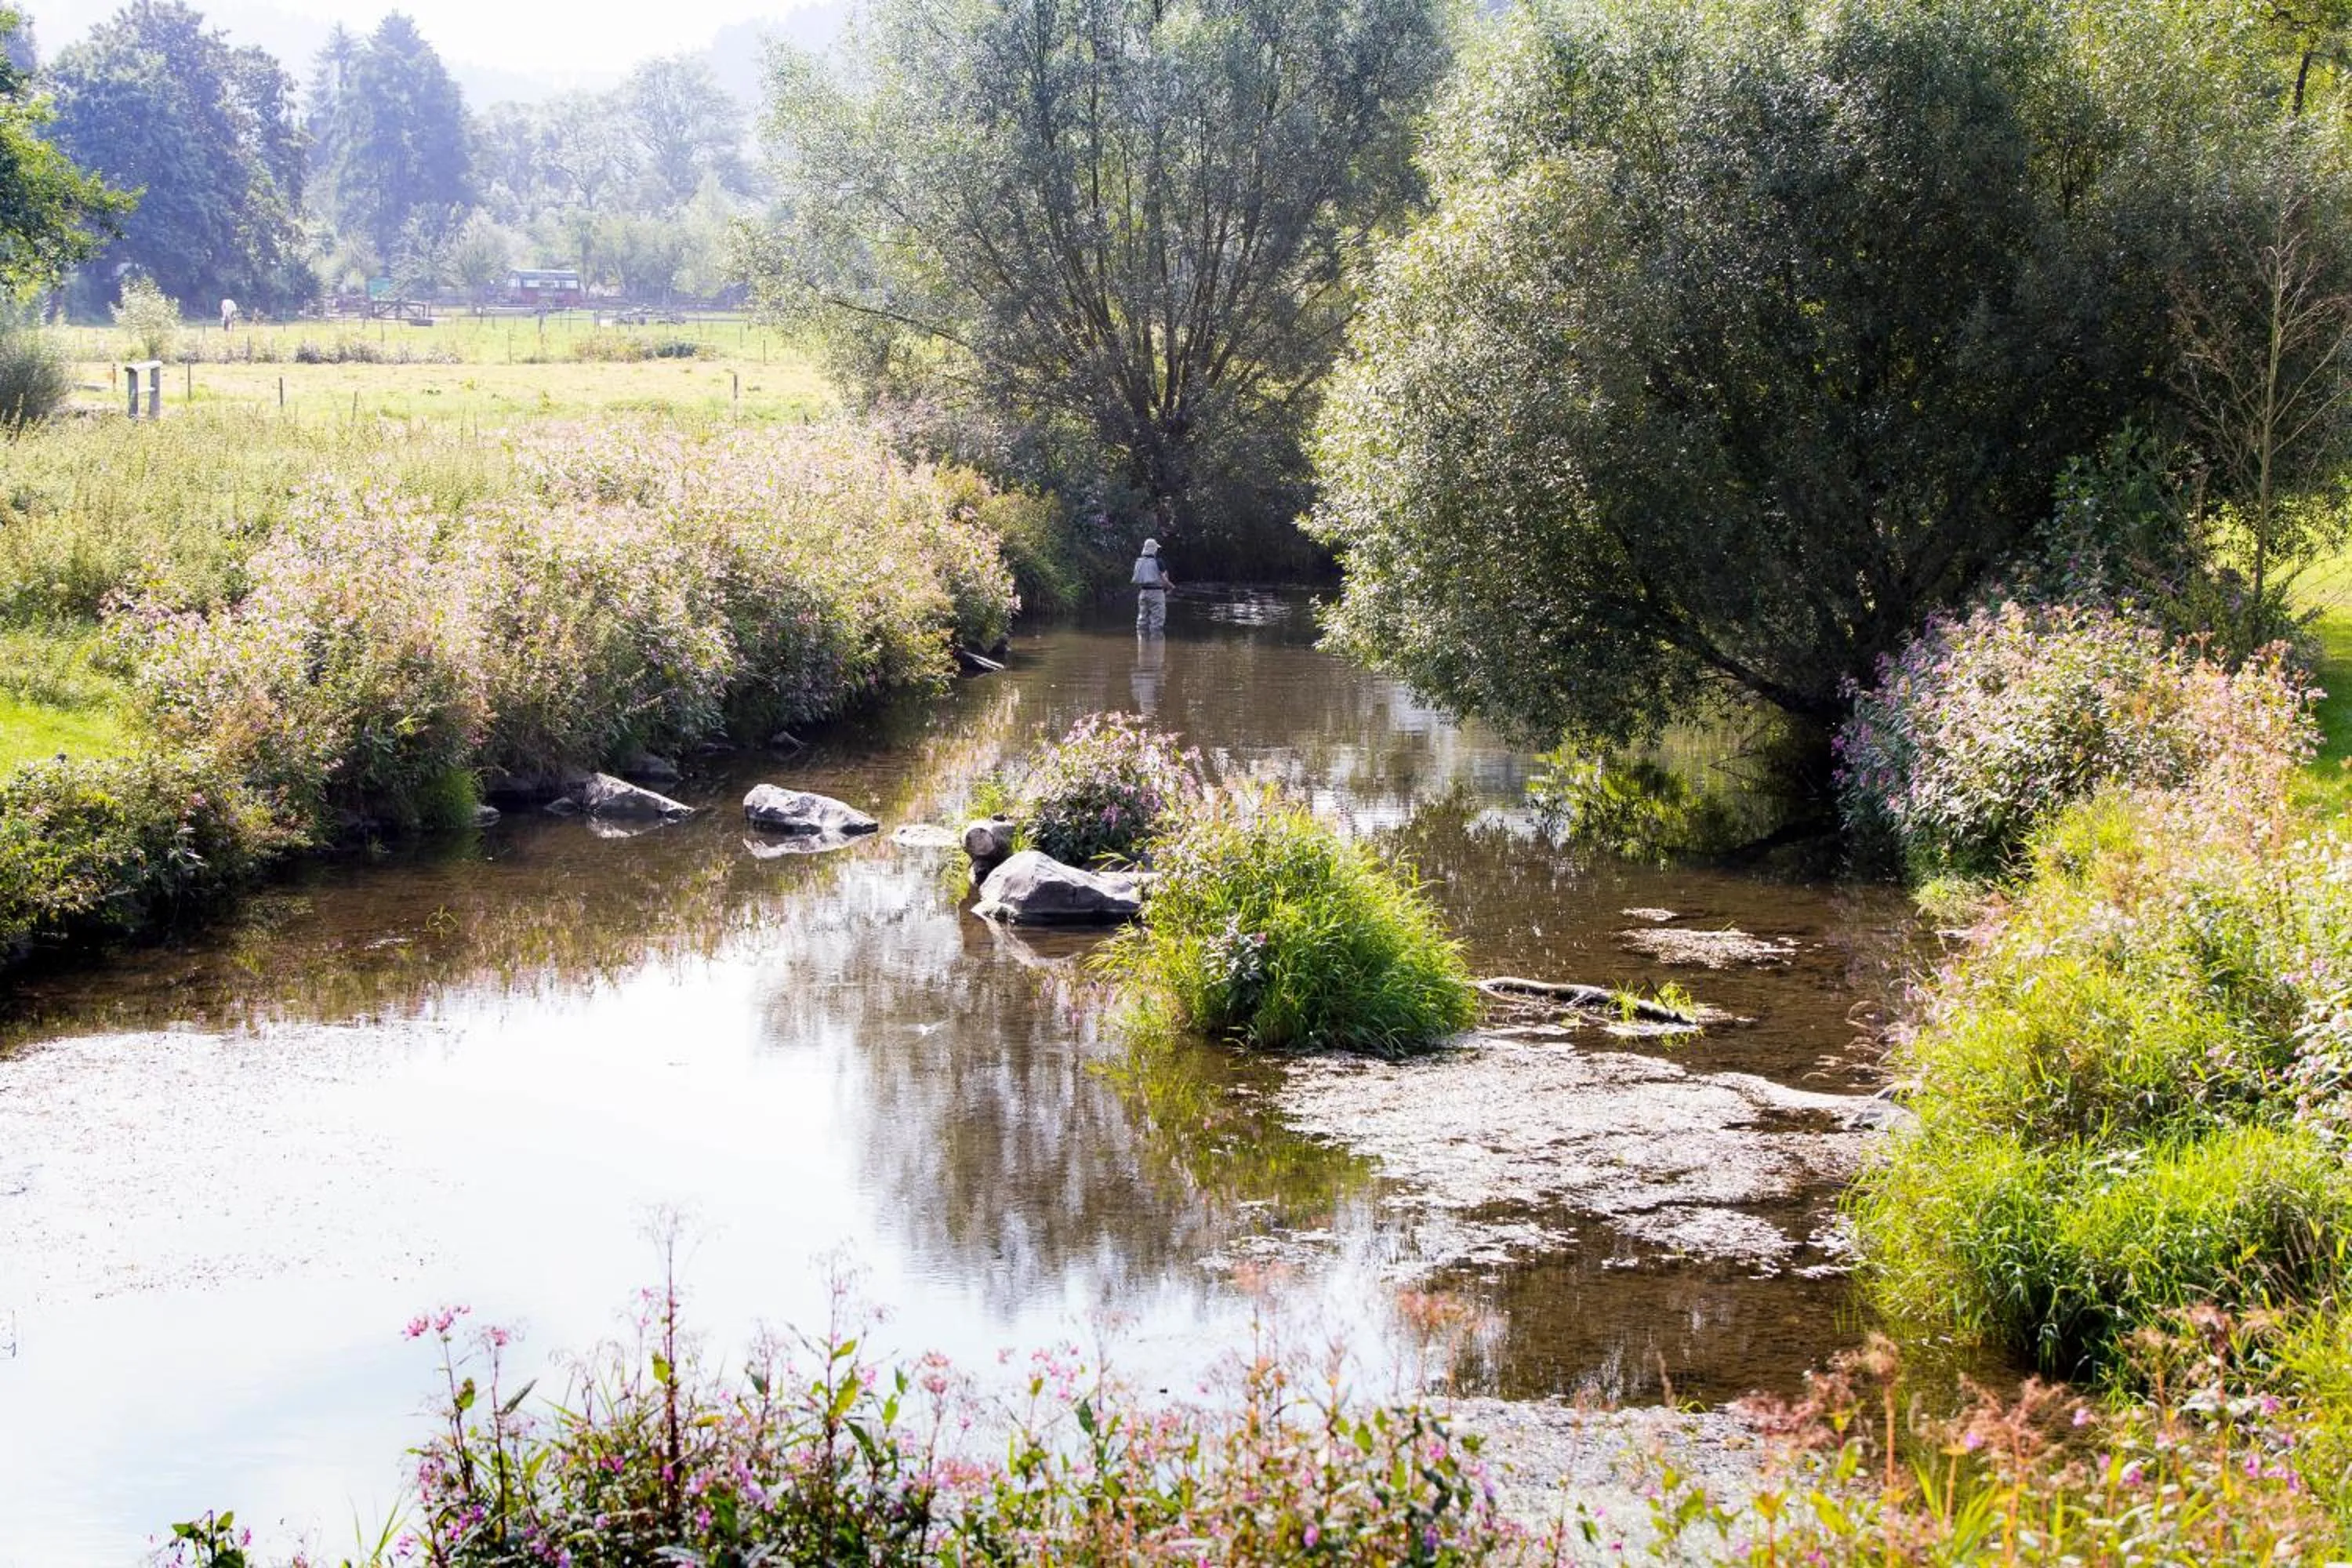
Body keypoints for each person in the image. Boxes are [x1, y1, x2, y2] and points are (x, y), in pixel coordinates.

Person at [1131, 538, 1173, 633]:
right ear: (1154, 549)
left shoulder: (1139, 562)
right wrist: (1171, 587)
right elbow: (1164, 578)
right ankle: (1156, 645)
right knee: (1157, 623)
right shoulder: (1158, 562)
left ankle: (1142, 645)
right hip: (1156, 593)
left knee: (1142, 622)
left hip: (1143, 593)